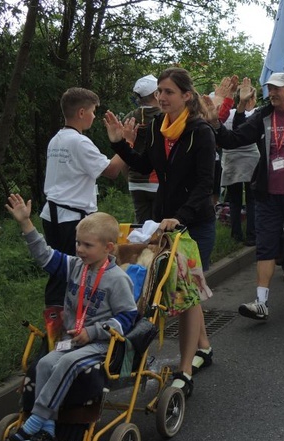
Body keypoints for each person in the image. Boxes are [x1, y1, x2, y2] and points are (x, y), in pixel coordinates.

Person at [105, 67, 215, 394]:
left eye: (168, 92)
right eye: (159, 93)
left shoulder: (199, 132)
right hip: (163, 223)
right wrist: (119, 144)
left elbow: (204, 184)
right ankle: (204, 349)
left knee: (186, 294)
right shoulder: (156, 127)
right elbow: (143, 165)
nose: (162, 98)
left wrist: (180, 216)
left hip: (193, 223)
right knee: (182, 292)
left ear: (186, 96)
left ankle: (185, 370)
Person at [1, 195, 136, 441]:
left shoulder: (118, 280)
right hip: (72, 341)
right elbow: (45, 257)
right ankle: (49, 431)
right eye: (78, 243)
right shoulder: (76, 266)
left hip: (101, 346)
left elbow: (128, 318)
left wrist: (94, 331)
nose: (80, 249)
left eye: (87, 245)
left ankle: (32, 424)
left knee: (65, 362)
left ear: (108, 248)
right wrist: (26, 224)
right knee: (45, 363)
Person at [209, 72, 284, 321]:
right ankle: (261, 302)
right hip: (266, 195)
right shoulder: (263, 116)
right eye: (269, 89)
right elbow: (235, 139)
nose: (272, 93)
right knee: (265, 246)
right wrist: (216, 124)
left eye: (277, 88)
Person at [40, 88, 124, 309]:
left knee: (58, 270)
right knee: (75, 271)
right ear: (80, 112)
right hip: (72, 218)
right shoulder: (79, 142)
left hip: (52, 214)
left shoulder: (56, 139)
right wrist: (126, 143)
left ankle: (54, 322)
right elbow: (113, 170)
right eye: (93, 111)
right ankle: (69, 323)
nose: (94, 116)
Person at [221, 80, 259, 246]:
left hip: (230, 160)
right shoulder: (254, 115)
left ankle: (236, 234)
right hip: (251, 160)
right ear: (252, 98)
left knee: (234, 200)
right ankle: (252, 234)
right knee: (252, 200)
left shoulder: (225, 115)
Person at [124, 75, 162, 223]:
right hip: (158, 181)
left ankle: (139, 247)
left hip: (135, 182)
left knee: (141, 229)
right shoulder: (164, 117)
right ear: (156, 94)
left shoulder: (129, 118)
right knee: (160, 230)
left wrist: (128, 177)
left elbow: (124, 152)